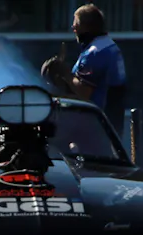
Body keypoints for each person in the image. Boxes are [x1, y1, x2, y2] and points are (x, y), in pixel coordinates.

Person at [40, 3, 127, 139]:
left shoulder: (94, 52)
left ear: (85, 26)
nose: (73, 28)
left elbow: (84, 93)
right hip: (111, 124)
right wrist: (60, 82)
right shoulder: (109, 45)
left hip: (96, 126)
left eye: (76, 23)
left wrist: (64, 72)